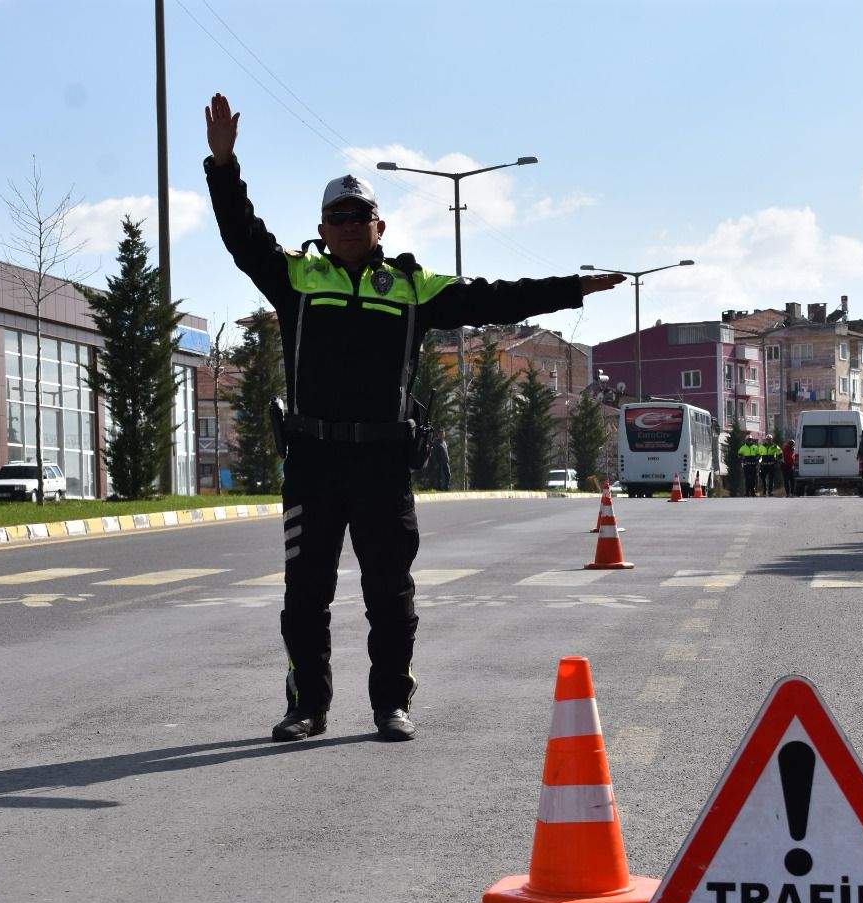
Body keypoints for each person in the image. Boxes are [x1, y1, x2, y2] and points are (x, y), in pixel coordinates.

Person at [204, 93, 624, 743]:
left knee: (390, 594)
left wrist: (570, 289)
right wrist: (223, 165)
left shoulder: (410, 287)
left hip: (382, 464)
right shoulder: (295, 278)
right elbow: (241, 233)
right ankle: (307, 707)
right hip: (313, 462)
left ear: (381, 226)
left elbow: (494, 299)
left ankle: (391, 705)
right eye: (338, 217)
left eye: (360, 216)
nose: (349, 226)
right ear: (322, 227)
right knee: (305, 595)